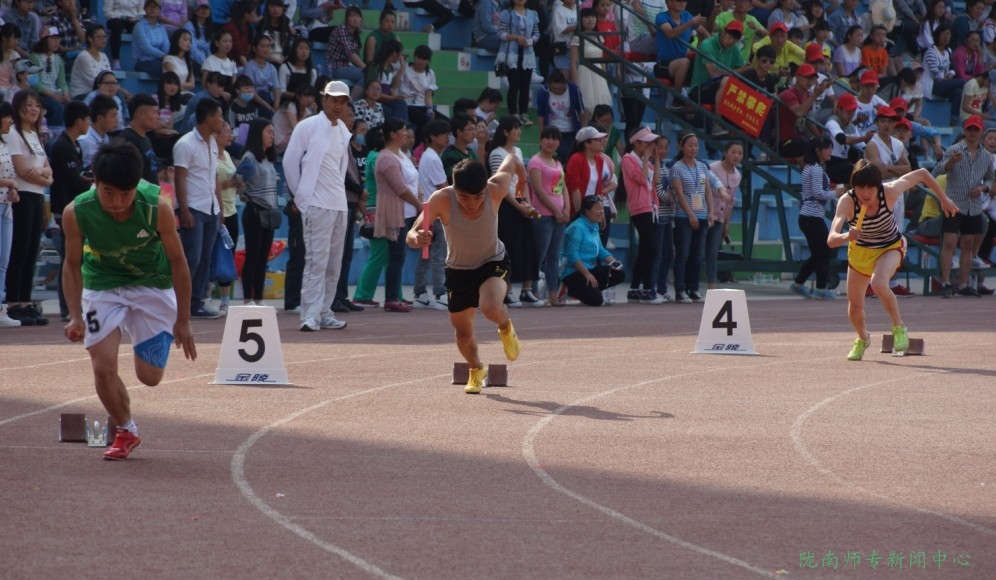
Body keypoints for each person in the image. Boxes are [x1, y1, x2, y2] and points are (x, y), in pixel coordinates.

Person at [61, 139, 196, 460]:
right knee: (102, 366)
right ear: (95, 182)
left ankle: (152, 339)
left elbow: (179, 262)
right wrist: (75, 314)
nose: (118, 203)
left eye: (126, 194)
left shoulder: (157, 208)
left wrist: (183, 320)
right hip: (102, 285)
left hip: (152, 284)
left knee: (149, 378)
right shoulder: (76, 212)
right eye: (109, 193)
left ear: (136, 186)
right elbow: (71, 264)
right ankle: (126, 429)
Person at [406, 156, 534, 394]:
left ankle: (505, 325)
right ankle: (476, 369)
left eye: (478, 197)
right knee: (463, 333)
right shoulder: (441, 199)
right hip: (458, 270)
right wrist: (418, 238)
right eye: (465, 198)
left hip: (492, 261)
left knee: (490, 306)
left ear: (485, 188)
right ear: (455, 190)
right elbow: (412, 234)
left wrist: (522, 182)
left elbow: (512, 160)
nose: (473, 204)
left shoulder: (496, 188)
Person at [827, 160, 957, 360]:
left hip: (890, 247)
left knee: (878, 283)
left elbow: (922, 173)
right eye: (861, 187)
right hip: (861, 252)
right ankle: (862, 338)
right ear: (854, 186)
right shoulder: (847, 201)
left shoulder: (889, 191)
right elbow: (831, 239)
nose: (866, 193)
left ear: (878, 186)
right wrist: (847, 235)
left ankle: (899, 327)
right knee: (855, 307)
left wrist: (944, 198)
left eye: (871, 187)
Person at [283, 80, 353, 331]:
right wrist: (301, 197)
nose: (338, 106)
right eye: (333, 100)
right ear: (324, 100)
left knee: (334, 264)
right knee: (316, 262)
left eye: (342, 101)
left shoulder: (343, 131)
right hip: (316, 204)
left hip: (339, 205)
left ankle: (325, 312)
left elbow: (339, 169)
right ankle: (310, 315)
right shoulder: (308, 126)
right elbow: (290, 162)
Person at [932, 115, 996, 297]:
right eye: (970, 129)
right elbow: (937, 170)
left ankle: (962, 284)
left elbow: (990, 179)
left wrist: (983, 188)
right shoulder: (954, 149)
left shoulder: (986, 156)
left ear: (981, 132)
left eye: (976, 130)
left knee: (967, 244)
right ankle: (945, 282)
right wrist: (951, 162)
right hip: (954, 202)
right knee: (950, 241)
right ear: (964, 130)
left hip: (973, 205)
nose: (972, 133)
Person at [4, 90, 53, 326]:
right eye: (29, 105)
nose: (34, 109)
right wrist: (44, 176)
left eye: (37, 105)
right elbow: (23, 170)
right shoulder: (13, 133)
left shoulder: (35, 135)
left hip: (37, 196)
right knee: (19, 250)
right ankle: (13, 302)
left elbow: (49, 171)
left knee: (32, 251)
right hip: (21, 196)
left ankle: (25, 301)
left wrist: (42, 174)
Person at [173, 97, 224, 318]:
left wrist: (220, 208)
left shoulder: (212, 142)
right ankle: (178, 303)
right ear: (209, 118)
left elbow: (215, 177)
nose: (222, 120)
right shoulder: (185, 144)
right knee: (190, 259)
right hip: (193, 207)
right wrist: (184, 210)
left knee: (205, 259)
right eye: (219, 116)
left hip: (211, 208)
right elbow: (179, 178)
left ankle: (195, 302)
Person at [489, 114, 543, 307]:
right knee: (509, 247)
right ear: (505, 132)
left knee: (530, 245)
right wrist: (519, 206)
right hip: (506, 205)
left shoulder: (518, 151)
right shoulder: (497, 154)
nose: (519, 132)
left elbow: (522, 179)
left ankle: (527, 290)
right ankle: (507, 291)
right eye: (516, 128)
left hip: (521, 202)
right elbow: (500, 185)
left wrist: (527, 202)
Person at [49, 100, 93, 321]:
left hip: (74, 208)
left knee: (77, 258)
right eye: (87, 120)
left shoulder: (74, 145)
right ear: (78, 121)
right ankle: (67, 307)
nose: (89, 124)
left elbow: (77, 177)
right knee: (70, 259)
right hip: (65, 208)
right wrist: (92, 185)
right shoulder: (63, 146)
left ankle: (75, 305)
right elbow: (73, 181)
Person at [791, 136, 842, 300]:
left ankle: (798, 283)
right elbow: (818, 194)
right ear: (818, 151)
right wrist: (835, 193)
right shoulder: (816, 169)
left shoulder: (811, 168)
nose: (830, 151)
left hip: (809, 216)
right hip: (811, 216)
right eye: (827, 148)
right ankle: (820, 287)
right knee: (824, 251)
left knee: (817, 253)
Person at [236, 118, 280, 305]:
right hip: (255, 212)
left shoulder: (268, 158)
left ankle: (259, 298)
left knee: (263, 259)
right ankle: (248, 299)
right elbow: (238, 179)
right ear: (257, 134)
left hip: (269, 213)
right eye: (269, 132)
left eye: (273, 132)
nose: (272, 136)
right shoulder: (250, 157)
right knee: (253, 258)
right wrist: (245, 195)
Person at [670, 129, 714, 304]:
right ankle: (680, 289)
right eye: (690, 145)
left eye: (696, 145)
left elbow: (707, 191)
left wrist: (710, 212)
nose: (694, 148)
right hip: (684, 216)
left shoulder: (702, 166)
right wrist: (690, 214)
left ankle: (693, 288)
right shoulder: (677, 167)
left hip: (702, 215)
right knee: (683, 253)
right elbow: (679, 194)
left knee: (697, 254)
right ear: (681, 146)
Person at [528, 125, 569, 306]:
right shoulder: (535, 162)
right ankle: (533, 291)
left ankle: (552, 294)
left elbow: (563, 187)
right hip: (543, 215)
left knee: (554, 256)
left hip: (559, 216)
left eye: (555, 138)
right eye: (547, 138)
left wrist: (566, 209)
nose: (551, 142)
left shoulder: (557, 162)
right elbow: (538, 190)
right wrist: (556, 211)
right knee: (539, 255)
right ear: (541, 140)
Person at [560, 194, 625, 307]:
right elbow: (572, 255)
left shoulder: (594, 225)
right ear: (587, 212)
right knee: (596, 301)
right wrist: (587, 274)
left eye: (602, 208)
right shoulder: (577, 227)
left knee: (619, 274)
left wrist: (614, 262)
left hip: (589, 268)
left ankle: (588, 290)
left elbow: (600, 250)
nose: (602, 212)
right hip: (573, 272)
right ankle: (570, 290)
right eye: (598, 209)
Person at [413, 118, 451, 310]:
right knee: (438, 253)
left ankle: (420, 292)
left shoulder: (428, 156)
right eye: (443, 134)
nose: (447, 137)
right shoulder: (433, 158)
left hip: (428, 210)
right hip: (435, 211)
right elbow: (443, 188)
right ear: (432, 137)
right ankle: (440, 292)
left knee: (426, 253)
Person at [623, 126, 663, 304]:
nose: (650, 146)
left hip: (652, 207)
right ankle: (647, 288)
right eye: (647, 143)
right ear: (637, 143)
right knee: (652, 249)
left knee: (645, 250)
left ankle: (634, 288)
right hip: (640, 207)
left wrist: (656, 160)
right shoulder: (628, 159)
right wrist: (646, 159)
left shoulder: (644, 161)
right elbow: (640, 179)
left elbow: (656, 181)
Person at [497, 0, 540, 126]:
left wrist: (530, 41)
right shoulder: (507, 13)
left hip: (527, 54)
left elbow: (537, 34)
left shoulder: (532, 14)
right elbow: (500, 33)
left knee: (525, 86)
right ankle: (513, 114)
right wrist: (516, 37)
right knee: (514, 85)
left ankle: (524, 114)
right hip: (511, 54)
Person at [0, 102, 20, 327]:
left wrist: (12, 188)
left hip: (5, 206)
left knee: (3, 260)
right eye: (7, 117)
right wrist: (10, 184)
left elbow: (9, 174)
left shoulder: (4, 144)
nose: (11, 121)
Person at [119, 94, 161, 185]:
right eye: (154, 112)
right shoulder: (126, 140)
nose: (157, 117)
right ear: (141, 114)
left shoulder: (146, 139)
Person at [70, 24, 112, 100]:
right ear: (90, 38)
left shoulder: (104, 56)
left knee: (119, 93)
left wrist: (121, 90)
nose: (104, 40)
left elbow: (110, 78)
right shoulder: (84, 56)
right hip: (82, 94)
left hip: (100, 91)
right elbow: (94, 82)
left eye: (104, 37)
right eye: (99, 37)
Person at [133, 0, 170, 79]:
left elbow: (166, 46)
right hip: (143, 61)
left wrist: (168, 57)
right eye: (149, 6)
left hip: (159, 60)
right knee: (162, 69)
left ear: (159, 9)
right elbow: (146, 48)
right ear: (145, 9)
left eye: (155, 6)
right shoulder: (139, 26)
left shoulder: (161, 28)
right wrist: (164, 56)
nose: (152, 9)